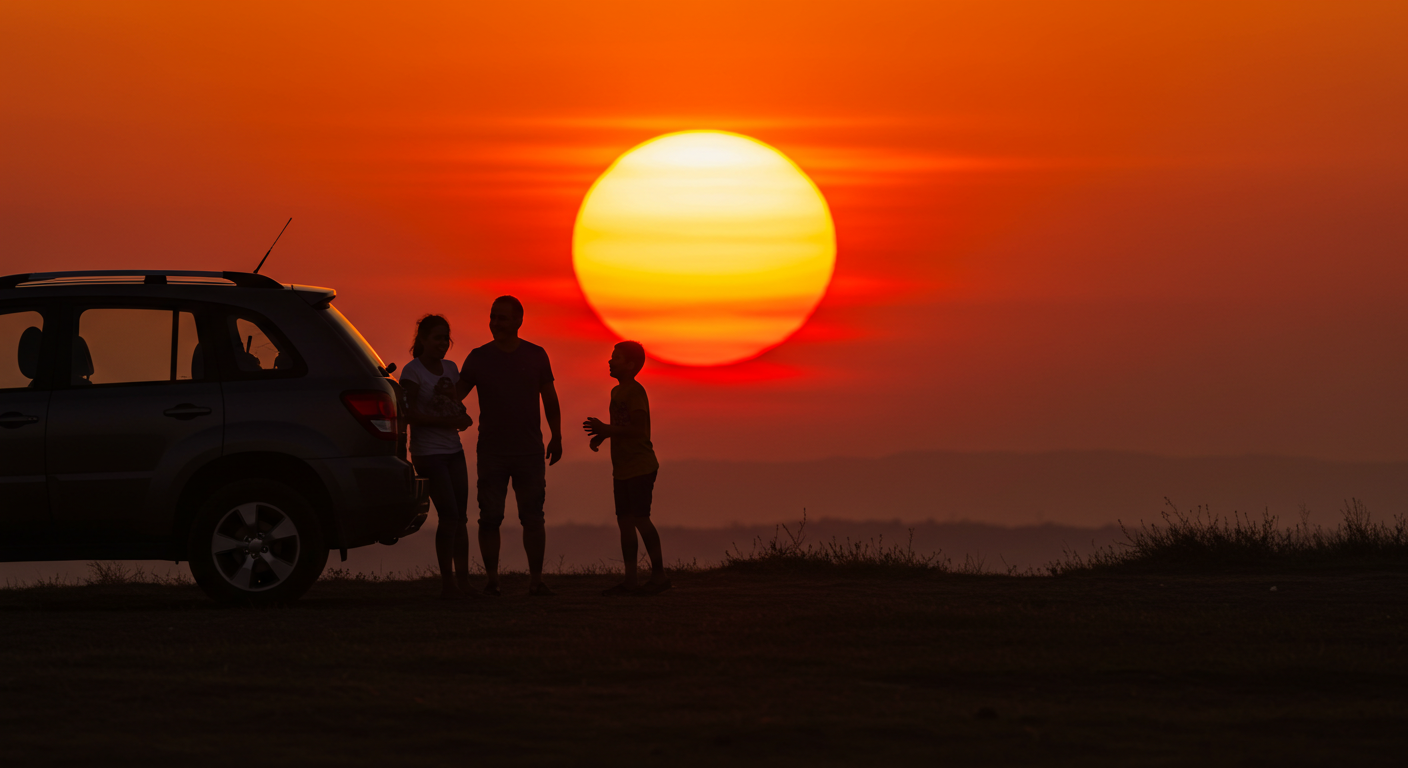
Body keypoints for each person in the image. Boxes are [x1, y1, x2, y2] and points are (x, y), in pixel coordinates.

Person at [457, 296, 562, 597]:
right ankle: (492, 581)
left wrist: (557, 435)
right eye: (492, 317)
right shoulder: (478, 358)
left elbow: (549, 398)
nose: (495, 323)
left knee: (533, 517)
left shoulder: (536, 355)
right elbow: (455, 395)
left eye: (502, 318)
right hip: (491, 451)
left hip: (529, 451)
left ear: (519, 321)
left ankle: (536, 580)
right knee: (489, 517)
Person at [583, 341, 669, 595]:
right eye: (612, 357)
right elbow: (622, 425)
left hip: (640, 466)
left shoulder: (634, 392)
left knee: (641, 519)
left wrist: (606, 430)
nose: (610, 361)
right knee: (625, 522)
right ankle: (630, 580)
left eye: (616, 358)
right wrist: (603, 435)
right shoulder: (616, 392)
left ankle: (659, 576)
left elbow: (637, 429)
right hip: (621, 467)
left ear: (630, 365)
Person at [398, 315, 474, 600]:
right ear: (423, 340)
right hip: (429, 454)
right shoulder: (412, 372)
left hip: (454, 450)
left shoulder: (451, 369)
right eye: (437, 338)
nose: (443, 343)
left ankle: (464, 583)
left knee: (460, 517)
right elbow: (410, 414)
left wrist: (463, 417)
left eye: (446, 338)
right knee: (450, 516)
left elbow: (455, 404)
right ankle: (449, 584)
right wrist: (446, 422)